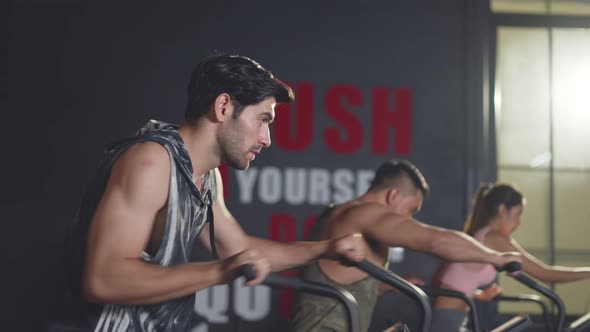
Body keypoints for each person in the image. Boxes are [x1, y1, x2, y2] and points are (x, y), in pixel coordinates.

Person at [64, 53, 366, 332]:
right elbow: (102, 279)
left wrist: (327, 249)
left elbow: (240, 251)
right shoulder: (151, 162)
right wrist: (219, 271)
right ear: (223, 107)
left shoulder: (207, 178)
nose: (267, 138)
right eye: (263, 120)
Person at [289, 160, 522, 332]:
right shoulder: (364, 214)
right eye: (411, 210)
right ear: (393, 196)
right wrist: (495, 258)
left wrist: (386, 286)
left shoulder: (336, 212)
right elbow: (435, 240)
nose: (408, 219)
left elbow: (337, 278)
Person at [432, 182, 590, 331]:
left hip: (451, 316)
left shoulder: (483, 234)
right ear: (502, 210)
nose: (519, 222)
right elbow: (546, 274)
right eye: (518, 214)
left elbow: (454, 282)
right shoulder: (493, 238)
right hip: (448, 320)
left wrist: (480, 295)